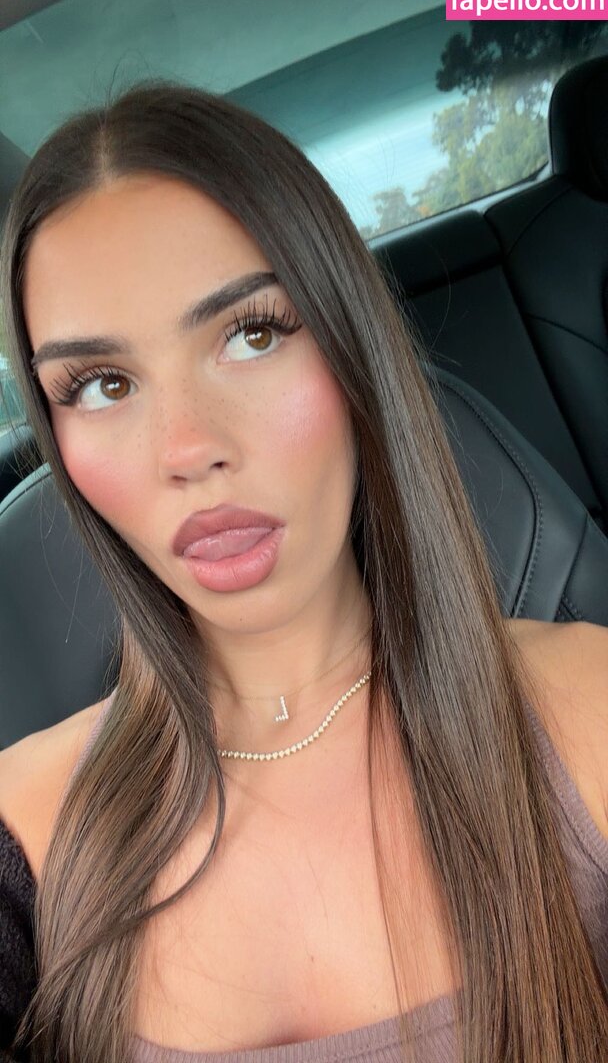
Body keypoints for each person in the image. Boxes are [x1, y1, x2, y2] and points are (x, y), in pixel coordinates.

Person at [0, 80, 606, 1063]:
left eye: (252, 334)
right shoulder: (22, 831)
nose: (188, 449)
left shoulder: (590, 710)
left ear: (352, 348)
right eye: (102, 385)